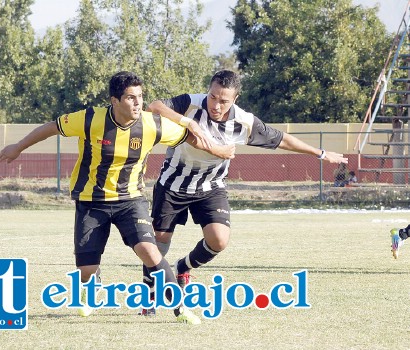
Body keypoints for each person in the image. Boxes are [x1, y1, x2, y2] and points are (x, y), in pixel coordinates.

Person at [0, 71, 234, 324]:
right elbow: (51, 128)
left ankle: (179, 307)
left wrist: (217, 149)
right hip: (92, 201)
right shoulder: (90, 119)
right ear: (115, 100)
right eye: (131, 98)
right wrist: (17, 147)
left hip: (130, 201)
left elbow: (188, 138)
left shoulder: (151, 124)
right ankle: (93, 284)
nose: (138, 103)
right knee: (86, 271)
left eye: (140, 97)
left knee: (151, 252)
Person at [140, 70, 349, 315]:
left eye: (224, 100)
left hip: (211, 186)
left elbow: (281, 139)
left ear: (235, 99)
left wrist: (320, 153)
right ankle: (149, 296)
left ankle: (183, 267)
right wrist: (188, 122)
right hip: (173, 184)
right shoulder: (190, 103)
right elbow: (154, 106)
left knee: (219, 240)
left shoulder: (244, 121)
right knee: (159, 240)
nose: (216, 105)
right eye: (213, 96)